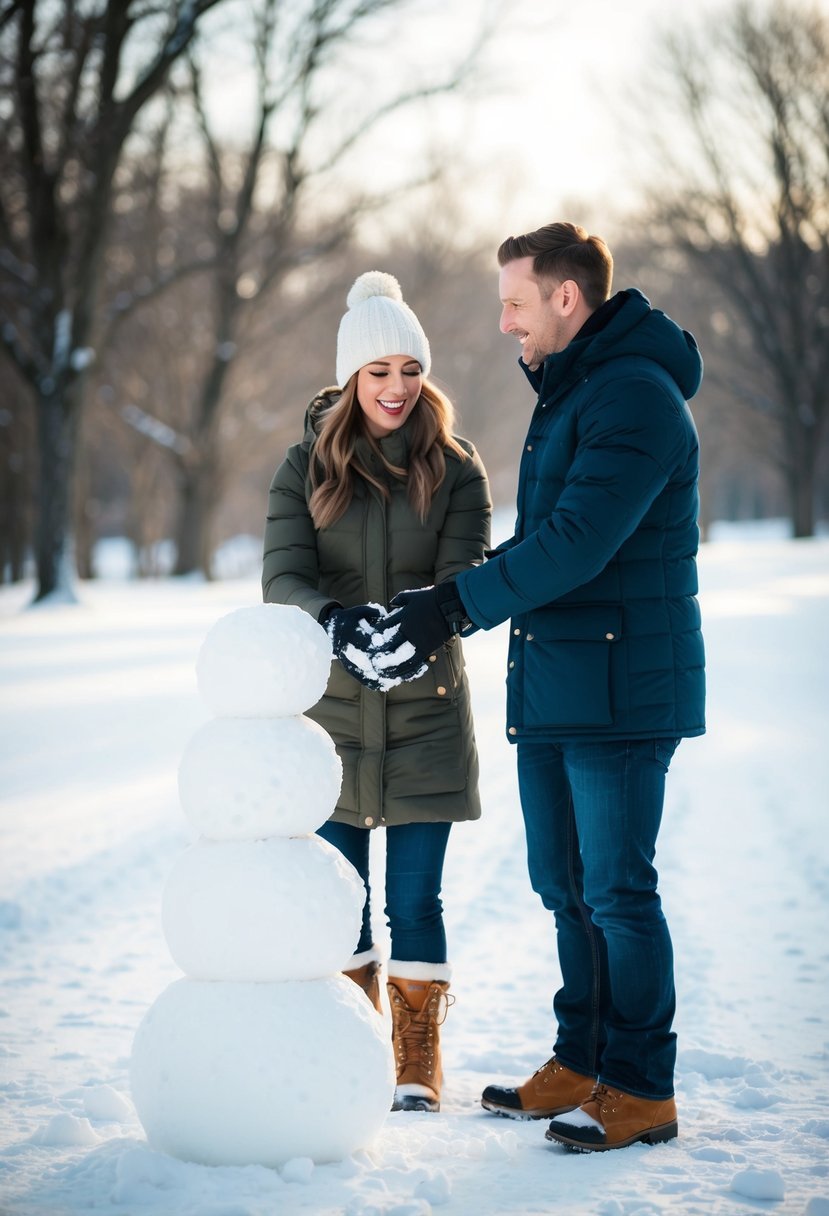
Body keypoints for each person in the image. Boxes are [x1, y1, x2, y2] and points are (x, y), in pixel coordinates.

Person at [368, 222, 705, 1151]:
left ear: (567, 297)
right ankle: (583, 1058)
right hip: (564, 679)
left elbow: (578, 544)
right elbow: (543, 536)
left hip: (621, 687)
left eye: (515, 302)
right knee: (563, 885)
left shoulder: (633, 396)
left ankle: (640, 1084)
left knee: (617, 891)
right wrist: (449, 595)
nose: (505, 321)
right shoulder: (575, 393)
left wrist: (457, 607)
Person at [262, 270, 491, 1114]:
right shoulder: (303, 467)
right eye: (376, 372)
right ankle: (359, 1047)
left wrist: (421, 628)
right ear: (350, 380)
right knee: (344, 899)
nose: (396, 388)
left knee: (414, 898)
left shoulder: (457, 471)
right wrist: (335, 623)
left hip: (428, 712)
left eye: (408, 369)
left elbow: (463, 578)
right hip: (332, 721)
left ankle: (417, 1055)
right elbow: (282, 576)